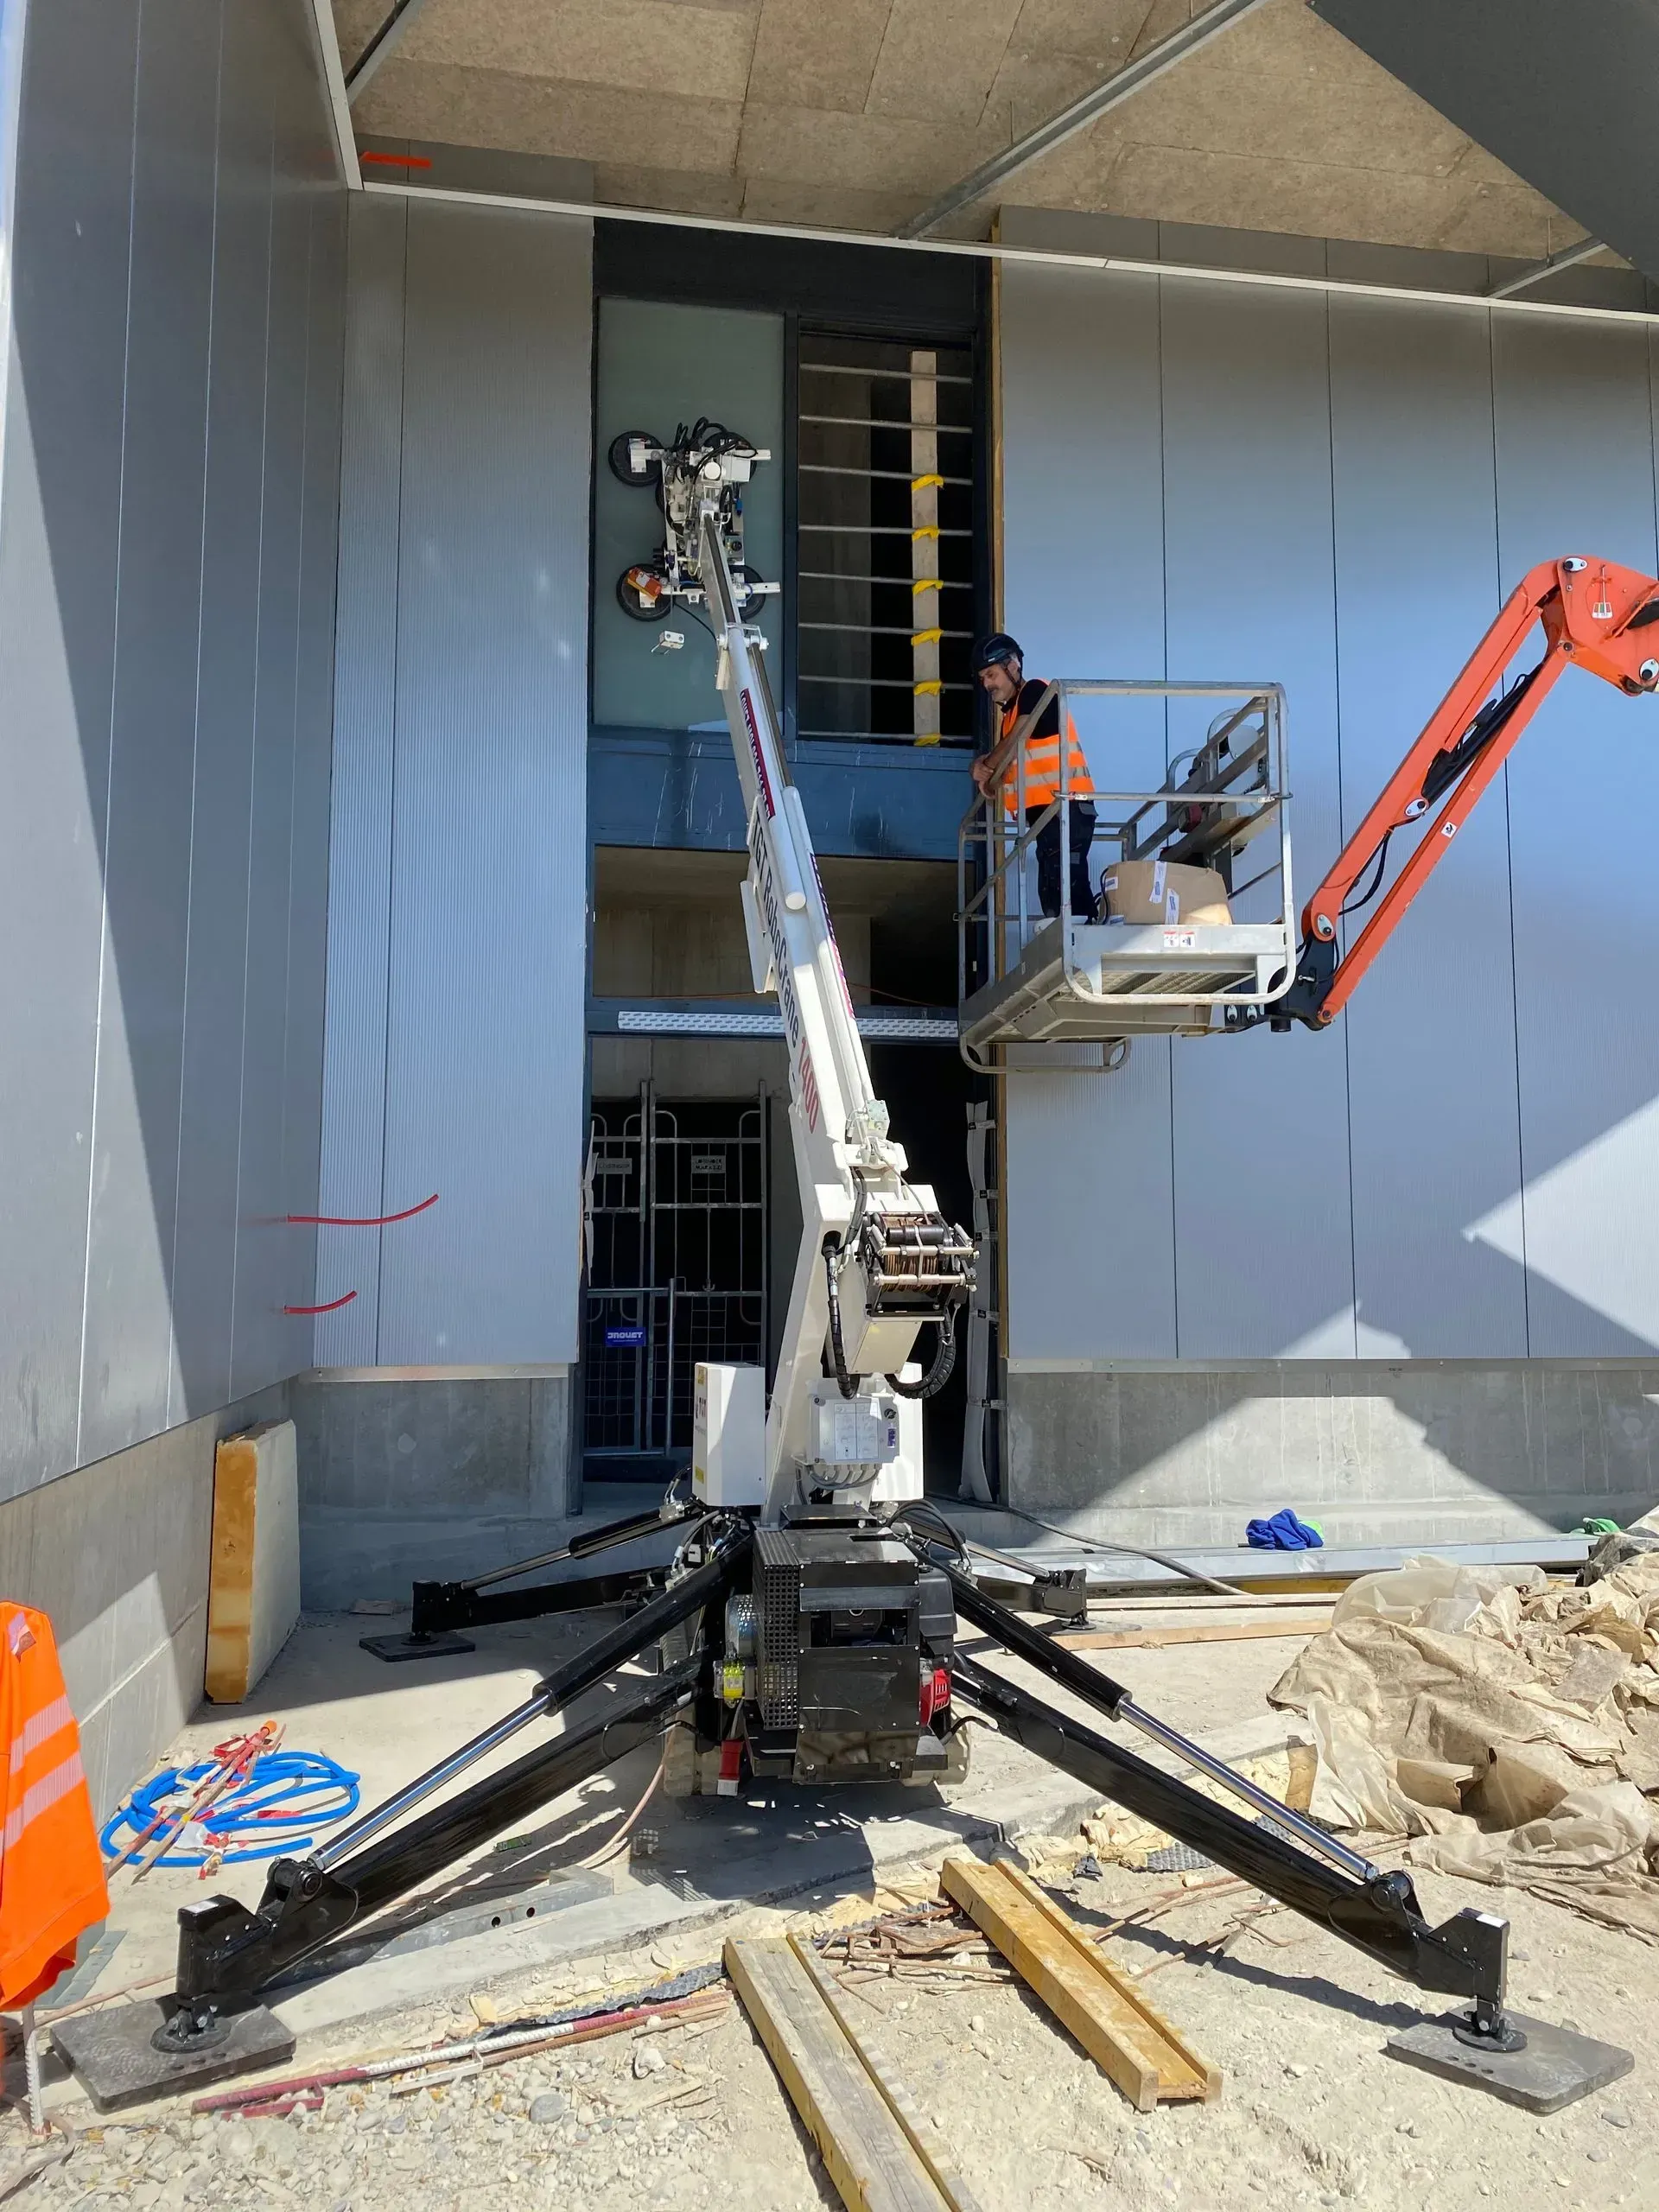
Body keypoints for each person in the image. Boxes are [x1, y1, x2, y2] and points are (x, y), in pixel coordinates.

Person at [969, 632, 1096, 918]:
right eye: (983, 678)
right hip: (1049, 815)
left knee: (1067, 885)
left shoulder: (1036, 692)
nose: (987, 684)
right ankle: (1070, 942)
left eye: (991, 674)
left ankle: (1083, 940)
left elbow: (1017, 741)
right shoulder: (1010, 716)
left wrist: (986, 766)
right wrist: (984, 770)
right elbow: (1004, 768)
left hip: (1067, 806)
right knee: (1054, 888)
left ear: (1013, 667)